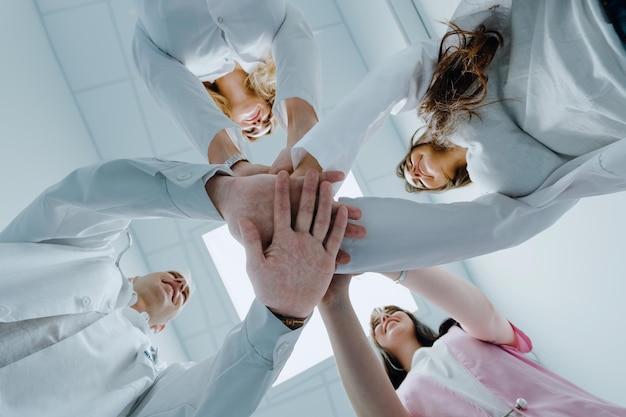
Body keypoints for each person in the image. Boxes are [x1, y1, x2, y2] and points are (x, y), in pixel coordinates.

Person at [0, 158, 361, 417]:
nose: (180, 284)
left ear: (161, 327)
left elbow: (210, 405)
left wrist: (280, 313)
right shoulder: (87, 256)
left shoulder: (145, 380)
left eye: (184, 294)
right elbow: (82, 198)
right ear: (132, 277)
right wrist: (223, 193)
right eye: (175, 275)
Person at [289, 0, 626, 274]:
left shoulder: (441, 99)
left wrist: (314, 161)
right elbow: (495, 229)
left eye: (408, 164)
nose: (414, 173)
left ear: (419, 143)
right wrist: (339, 240)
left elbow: (399, 76)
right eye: (420, 183)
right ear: (445, 186)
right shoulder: (502, 186)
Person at [318, 268, 626, 416]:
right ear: (380, 348)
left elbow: (487, 317)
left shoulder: (460, 333)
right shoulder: (402, 398)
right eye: (376, 323)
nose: (384, 317)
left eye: (391, 311)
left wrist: (386, 260)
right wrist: (332, 301)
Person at [132, 0, 321, 175]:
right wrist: (302, 131)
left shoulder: (181, 69)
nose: (258, 124)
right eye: (268, 121)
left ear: (230, 121)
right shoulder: (272, 40)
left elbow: (148, 57)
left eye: (249, 131)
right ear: (271, 99)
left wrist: (231, 163)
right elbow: (296, 30)